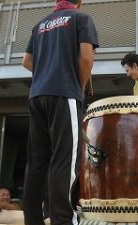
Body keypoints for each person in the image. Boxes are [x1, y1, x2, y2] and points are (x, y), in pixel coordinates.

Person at [21, 0, 99, 225]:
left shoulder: (39, 25)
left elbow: (26, 61)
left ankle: (33, 220)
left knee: (37, 161)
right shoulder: (81, 18)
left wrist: (47, 70)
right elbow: (86, 57)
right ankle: (63, 221)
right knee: (65, 161)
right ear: (80, 2)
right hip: (64, 92)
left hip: (37, 95)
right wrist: (79, 87)